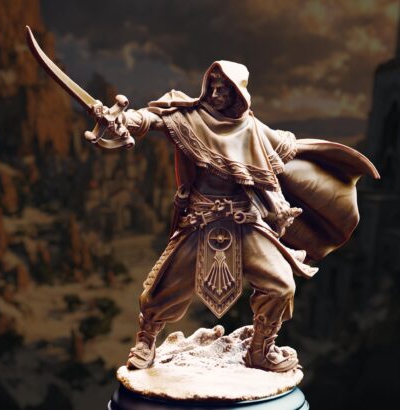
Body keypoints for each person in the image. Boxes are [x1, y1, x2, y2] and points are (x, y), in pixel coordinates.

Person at [88, 61, 379, 372]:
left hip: (246, 223)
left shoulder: (253, 129)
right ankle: (146, 341)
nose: (215, 94)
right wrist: (122, 120)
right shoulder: (189, 117)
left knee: (281, 287)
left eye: (223, 89)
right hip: (201, 221)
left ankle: (260, 349)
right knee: (159, 292)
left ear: (238, 94)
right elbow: (153, 118)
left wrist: (317, 177)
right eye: (212, 88)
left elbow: (289, 149)